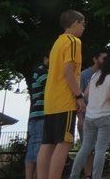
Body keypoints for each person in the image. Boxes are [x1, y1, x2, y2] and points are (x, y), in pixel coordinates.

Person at [37, 10, 86, 179]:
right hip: (65, 99)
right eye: (83, 23)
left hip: (51, 101)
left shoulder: (57, 43)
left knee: (47, 144)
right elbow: (68, 71)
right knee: (64, 142)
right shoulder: (74, 41)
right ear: (74, 23)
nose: (84, 27)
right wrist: (79, 96)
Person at [69, 49, 110, 179]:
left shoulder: (96, 74)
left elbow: (86, 94)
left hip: (90, 116)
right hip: (106, 115)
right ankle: (96, 176)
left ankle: (74, 175)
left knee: (85, 148)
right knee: (100, 150)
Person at [77, 49, 107, 177]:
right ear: (95, 59)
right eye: (103, 58)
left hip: (101, 116)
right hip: (87, 117)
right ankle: (88, 174)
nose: (106, 61)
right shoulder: (84, 75)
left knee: (98, 149)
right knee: (87, 148)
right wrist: (80, 118)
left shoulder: (106, 75)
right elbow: (78, 97)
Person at [25, 54, 48, 179]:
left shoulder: (37, 70)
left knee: (34, 145)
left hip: (36, 114)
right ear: (46, 58)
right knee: (38, 146)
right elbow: (51, 88)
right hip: (41, 114)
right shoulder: (42, 71)